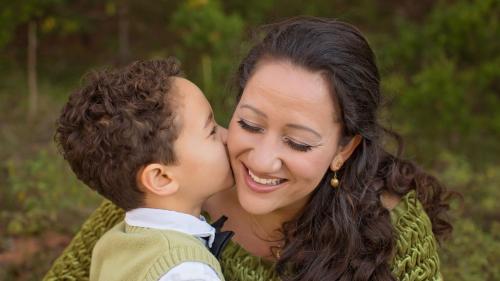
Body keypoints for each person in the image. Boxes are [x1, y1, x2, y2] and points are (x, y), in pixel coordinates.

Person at [44, 17, 453, 281]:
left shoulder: (395, 234)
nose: (259, 159)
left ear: (343, 150)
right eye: (249, 124)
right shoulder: (170, 194)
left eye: (297, 142)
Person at [54, 58, 234, 281]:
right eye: (212, 131)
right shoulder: (188, 272)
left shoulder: (112, 245)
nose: (228, 136)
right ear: (161, 178)